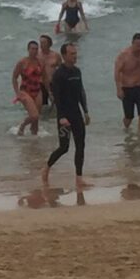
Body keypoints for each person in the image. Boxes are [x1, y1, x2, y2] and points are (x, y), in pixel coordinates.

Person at [42, 43, 91, 190]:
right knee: (64, 147)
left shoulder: (77, 71)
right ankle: (46, 167)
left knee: (81, 145)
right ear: (64, 56)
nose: (75, 56)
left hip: (76, 113)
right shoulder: (59, 74)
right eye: (72, 54)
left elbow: (81, 92)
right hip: (64, 115)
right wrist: (61, 116)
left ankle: (79, 179)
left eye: (75, 53)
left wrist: (86, 111)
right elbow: (57, 97)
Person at [114, 33, 140, 133]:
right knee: (129, 117)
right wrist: (119, 89)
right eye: (137, 46)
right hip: (127, 89)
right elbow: (117, 72)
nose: (139, 48)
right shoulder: (123, 55)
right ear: (132, 43)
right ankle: (126, 130)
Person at [12, 41, 45, 135]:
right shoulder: (22, 62)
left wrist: (50, 92)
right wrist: (17, 93)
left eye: (36, 49)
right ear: (28, 49)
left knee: (36, 120)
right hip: (25, 90)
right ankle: (22, 126)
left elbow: (45, 77)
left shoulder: (40, 62)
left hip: (37, 90)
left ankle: (34, 139)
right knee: (34, 116)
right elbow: (14, 77)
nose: (34, 51)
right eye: (32, 49)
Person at [38, 34, 61, 112]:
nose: (41, 45)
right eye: (40, 42)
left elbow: (61, 70)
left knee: (57, 103)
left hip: (53, 83)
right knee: (43, 106)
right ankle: (44, 119)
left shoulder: (56, 55)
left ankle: (53, 118)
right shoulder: (37, 56)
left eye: (44, 43)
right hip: (41, 83)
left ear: (49, 44)